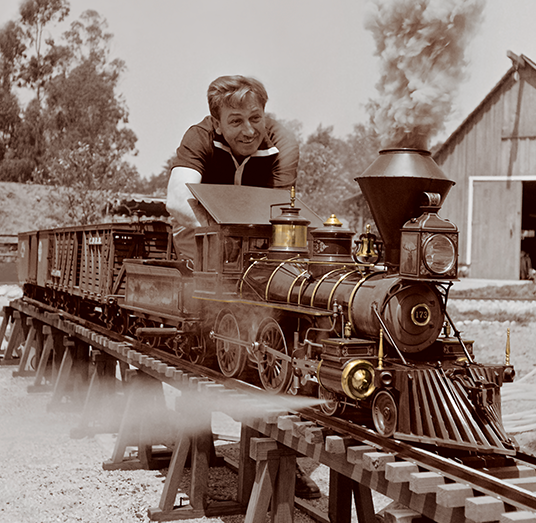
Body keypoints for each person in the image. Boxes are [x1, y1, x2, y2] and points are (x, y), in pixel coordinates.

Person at [166, 75, 299, 229]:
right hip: (200, 226)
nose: (249, 131)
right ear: (217, 124)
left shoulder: (283, 144)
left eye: (255, 118)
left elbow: (279, 211)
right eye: (236, 121)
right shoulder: (199, 136)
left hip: (256, 228)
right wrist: (222, 237)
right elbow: (178, 201)